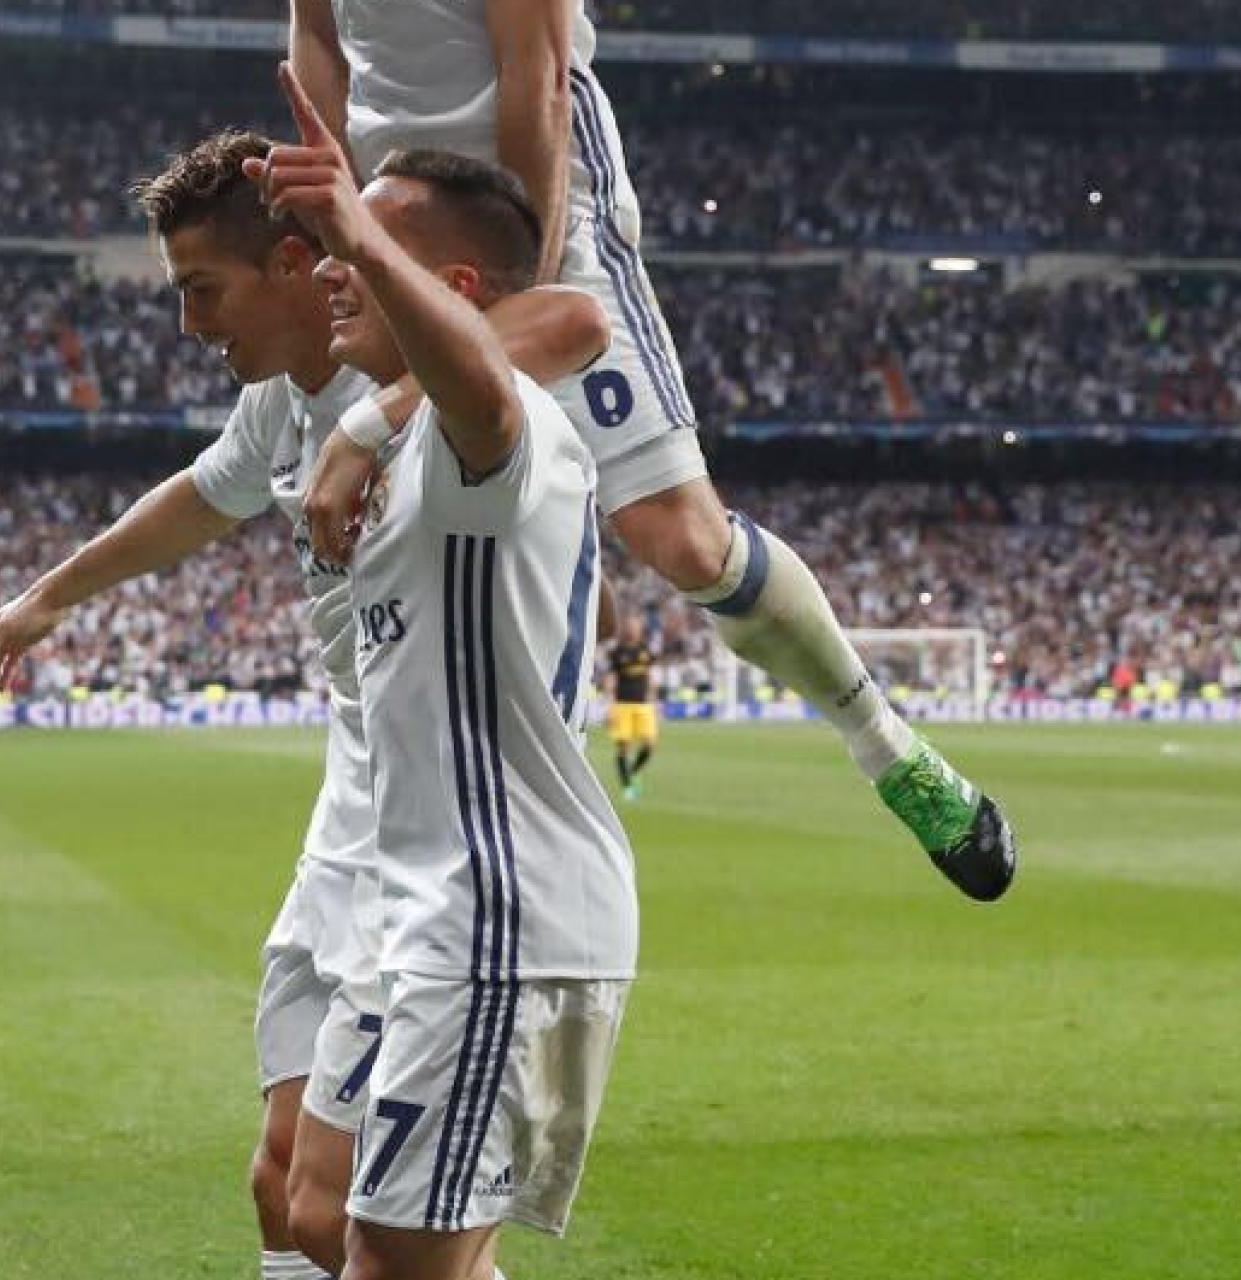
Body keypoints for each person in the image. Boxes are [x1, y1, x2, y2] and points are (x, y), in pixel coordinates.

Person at [0, 129, 611, 1280]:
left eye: (204, 290)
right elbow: (200, 496)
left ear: (303, 265)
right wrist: (47, 598)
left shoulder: (425, 390)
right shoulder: (285, 396)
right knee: (295, 1195)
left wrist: (366, 419)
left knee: (354, 1222)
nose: (191, 326)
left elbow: (568, 323)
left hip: (476, 862)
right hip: (375, 810)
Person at [291, 0, 1017, 903]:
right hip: (389, 217)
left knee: (681, 539)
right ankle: (440, 856)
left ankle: (887, 748)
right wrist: (342, 230)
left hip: (538, 202)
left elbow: (540, 78)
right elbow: (319, 40)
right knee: (412, 528)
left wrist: (529, 291)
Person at [249, 63, 637, 1280]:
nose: (326, 267)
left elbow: (522, 354)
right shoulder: (411, 436)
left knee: (387, 1266)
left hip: (500, 918)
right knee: (348, 1230)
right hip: (432, 915)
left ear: (451, 288)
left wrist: (360, 228)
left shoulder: (489, 431)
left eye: (359, 252)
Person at [605, 613, 657, 801]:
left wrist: (654, 700)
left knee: (650, 746)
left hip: (644, 706)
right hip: (622, 705)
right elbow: (611, 679)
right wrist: (610, 705)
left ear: (640, 629)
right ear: (626, 629)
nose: (633, 630)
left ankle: (633, 772)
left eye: (636, 626)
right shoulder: (617, 652)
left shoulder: (646, 650)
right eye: (630, 626)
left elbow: (650, 676)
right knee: (624, 748)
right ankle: (627, 786)